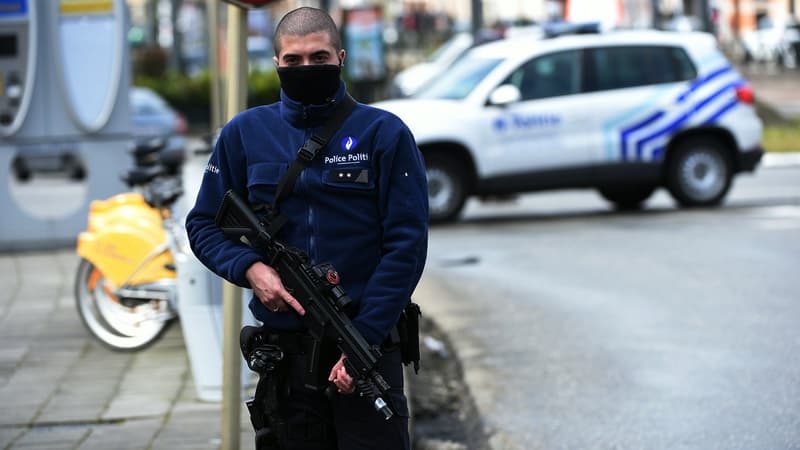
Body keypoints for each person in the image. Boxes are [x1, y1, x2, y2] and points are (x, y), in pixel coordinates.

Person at [185, 6, 428, 450]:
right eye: (293, 60)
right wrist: (250, 269)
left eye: (319, 58)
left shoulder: (384, 133)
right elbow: (203, 224)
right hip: (285, 363)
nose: (306, 68)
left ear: (340, 57)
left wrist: (365, 343)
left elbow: (407, 246)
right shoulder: (243, 134)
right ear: (276, 63)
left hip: (366, 347)